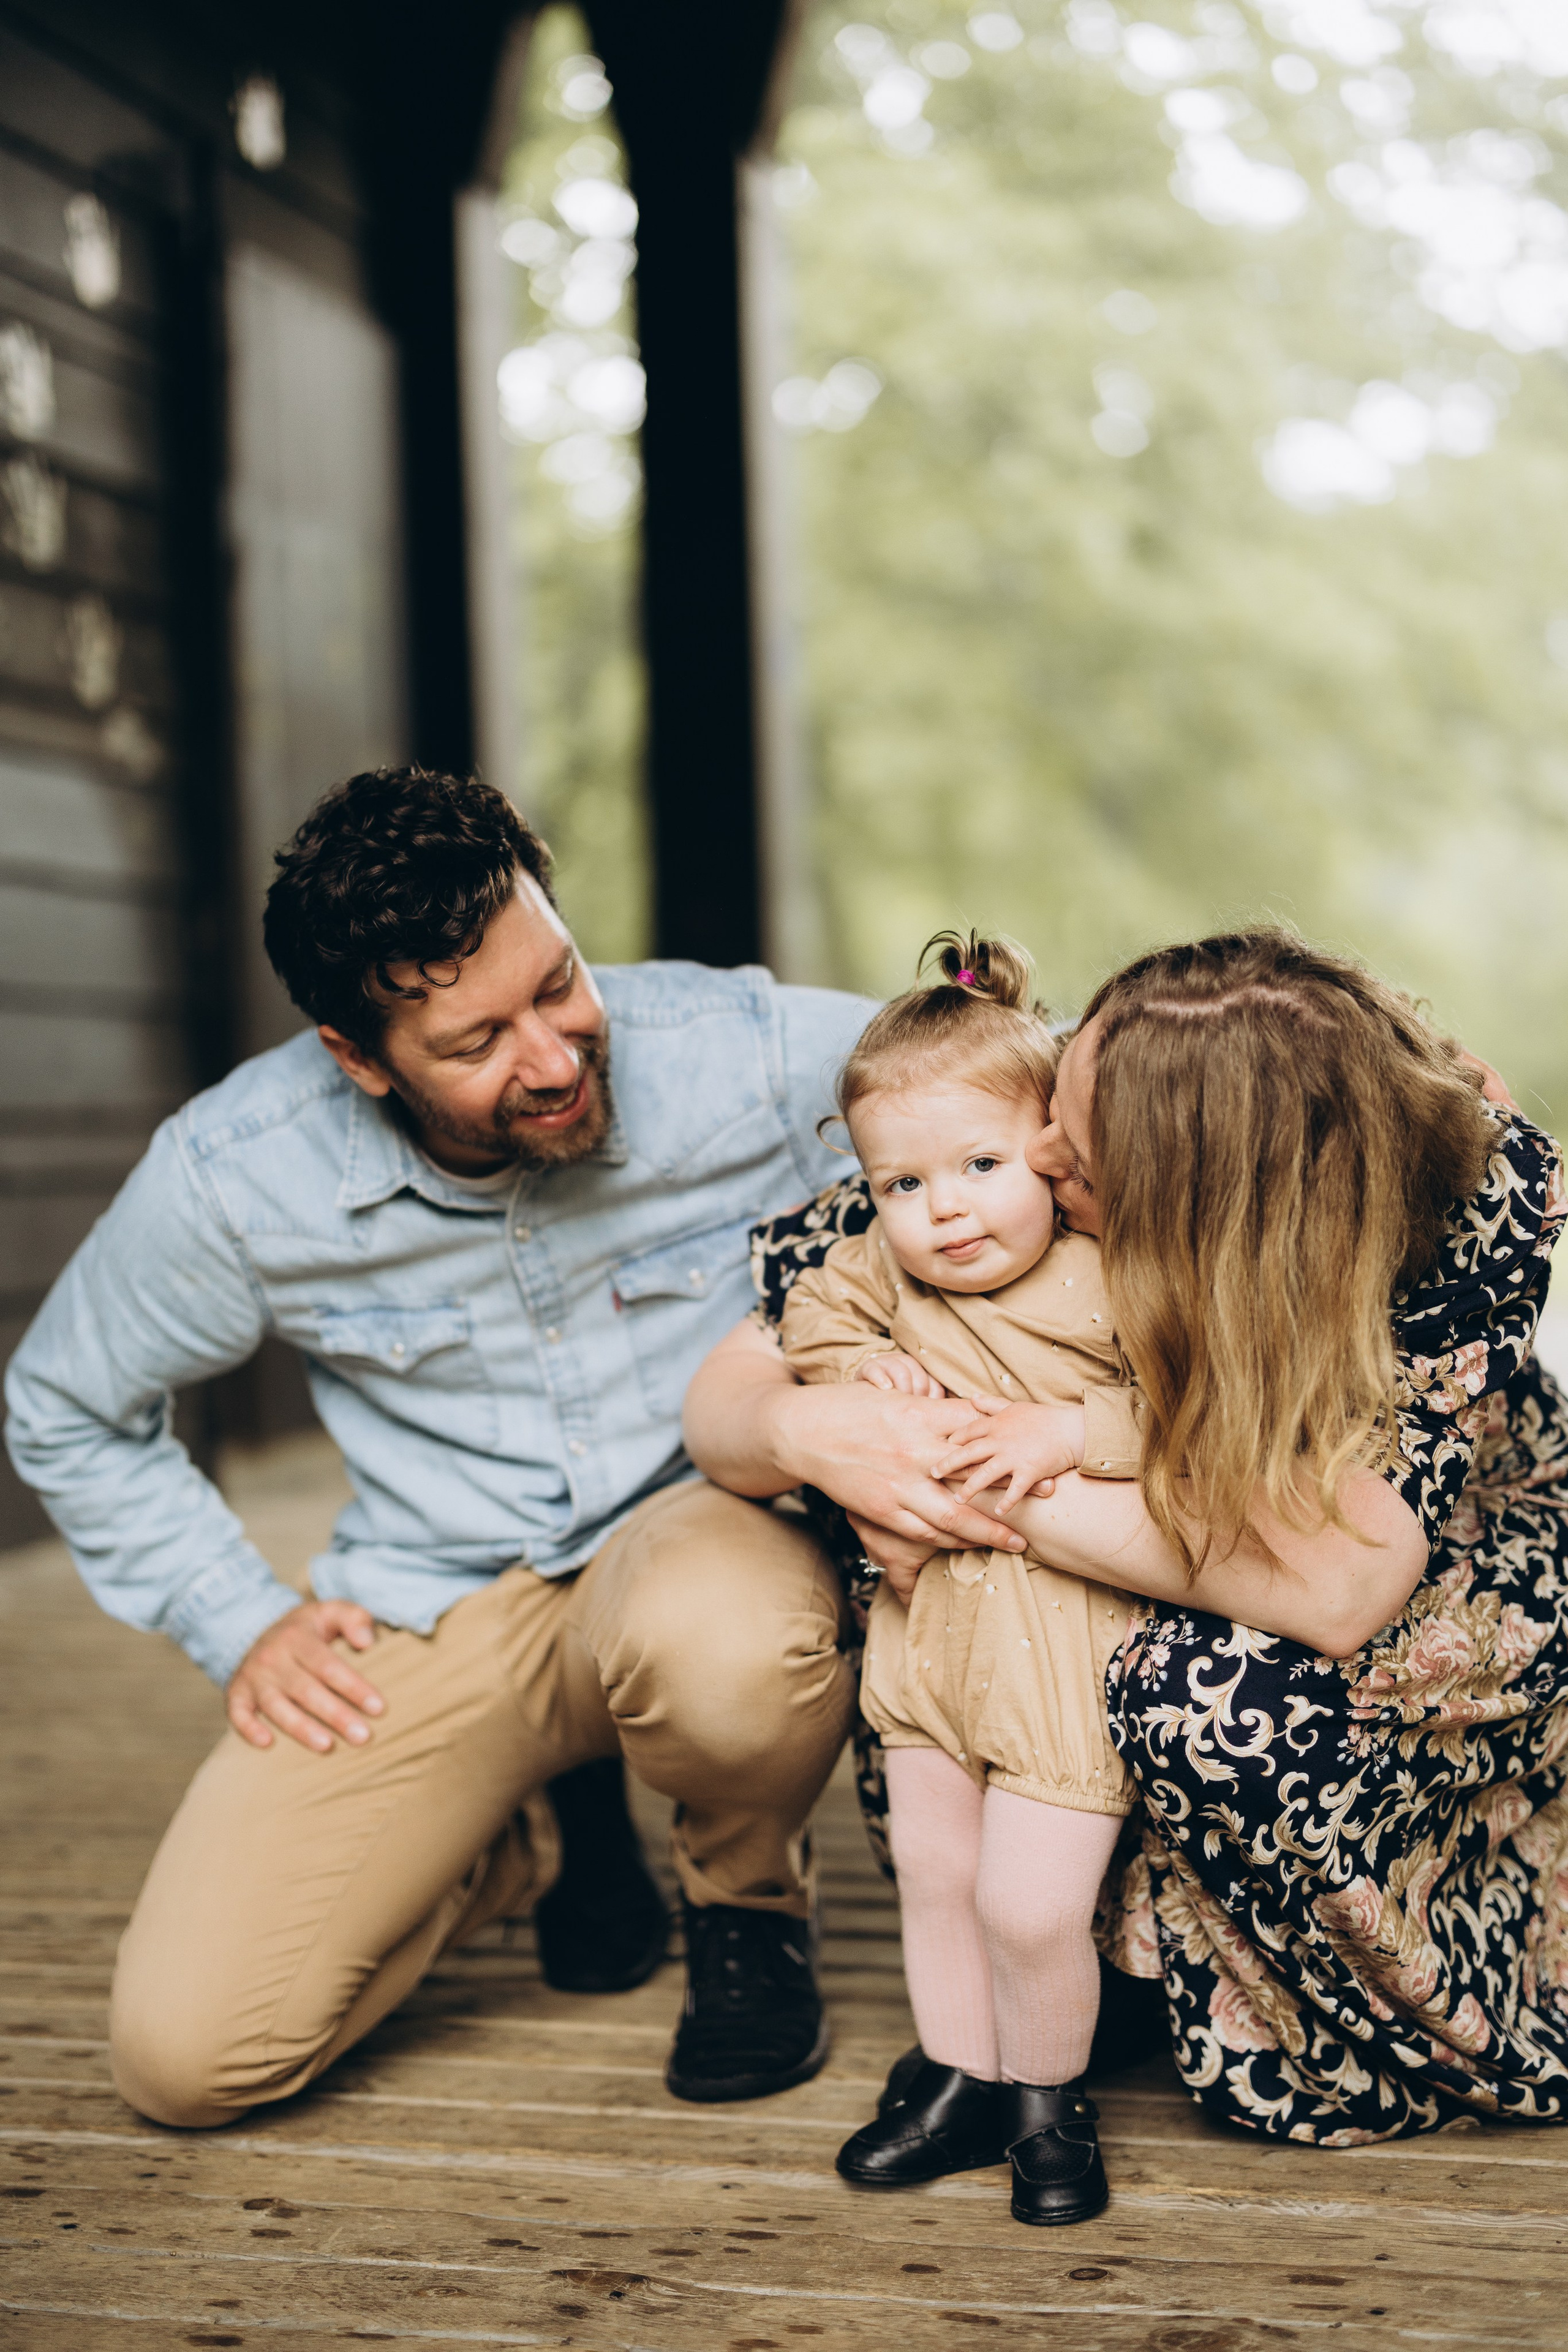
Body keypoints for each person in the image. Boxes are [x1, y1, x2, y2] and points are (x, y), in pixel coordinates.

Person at [4, 765, 873, 2128]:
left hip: (699, 1539)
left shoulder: (745, 1050)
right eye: (475, 1044)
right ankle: (512, 1844)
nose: (552, 1054)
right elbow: (63, 1407)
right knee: (188, 2060)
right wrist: (235, 1619)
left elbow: (1031, 1098)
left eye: (558, 982)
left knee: (726, 1655)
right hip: (442, 1591)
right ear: (358, 1061)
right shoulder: (237, 1172)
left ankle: (742, 1903)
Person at [687, 928, 1568, 2144]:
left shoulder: (1448, 1215)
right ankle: (1032, 1992)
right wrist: (806, 1427)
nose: (1037, 1149)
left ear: (1193, 1198)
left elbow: (1336, 1584)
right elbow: (731, 1396)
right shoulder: (1028, 1137)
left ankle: (1294, 1998)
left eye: (1074, 1150)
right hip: (1114, 1544)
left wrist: (971, 1475)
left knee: (1204, 1692)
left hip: (1429, 1560)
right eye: (1051, 1091)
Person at [778, 932, 1144, 2225]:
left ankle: (1049, 2101)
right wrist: (845, 1373)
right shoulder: (886, 1269)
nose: (944, 1210)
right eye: (900, 1183)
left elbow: (1203, 1418)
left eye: (982, 1167)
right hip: (927, 1637)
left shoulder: (1111, 1281)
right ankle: (960, 2076)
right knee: (931, 1869)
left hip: (1060, 1649)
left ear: (1053, 1153)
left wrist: (1071, 1433)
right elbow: (812, 1309)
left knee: (1030, 1901)